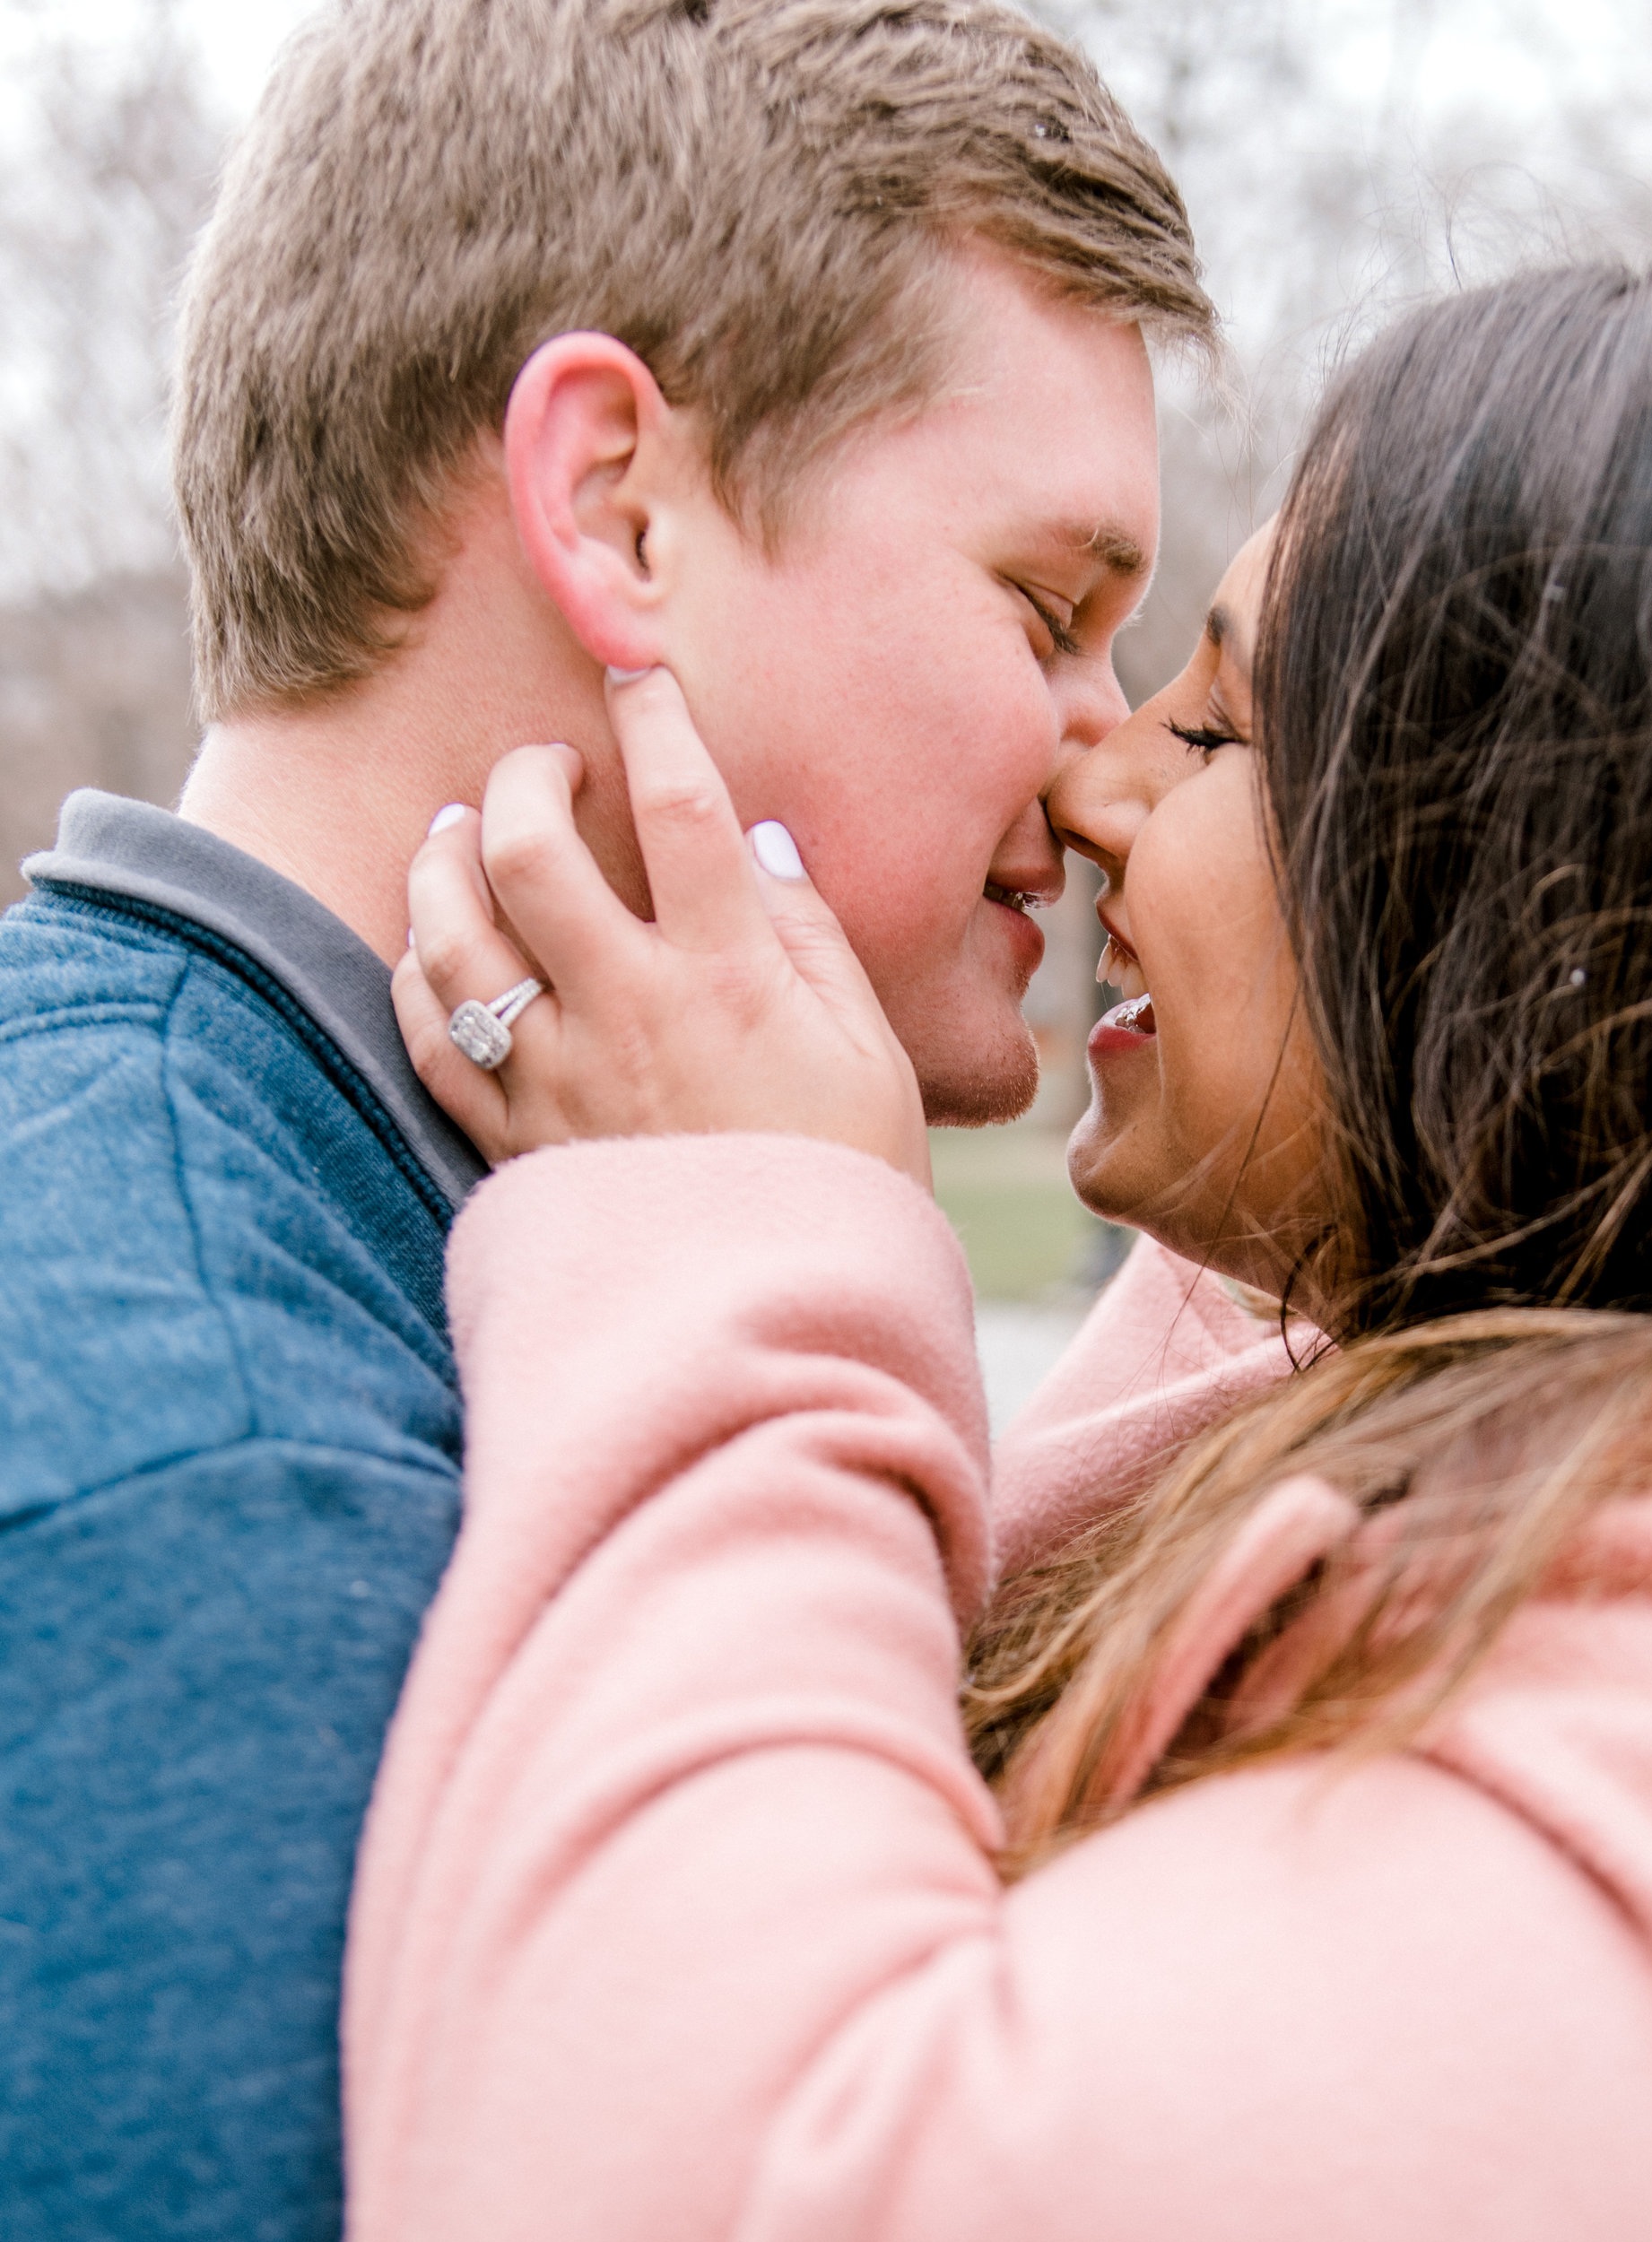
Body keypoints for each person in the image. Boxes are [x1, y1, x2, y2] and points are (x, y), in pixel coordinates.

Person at [352, 264, 1652, 2238]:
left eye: (1218, 729)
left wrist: (730, 1235)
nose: (1085, 790)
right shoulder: (1369, 1357)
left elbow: (690, 2180)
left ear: (1566, 894)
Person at [0, 0, 1211, 2230]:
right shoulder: (227, 1502)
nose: (1101, 749)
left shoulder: (323, 1244)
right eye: (1048, 607)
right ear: (614, 507)